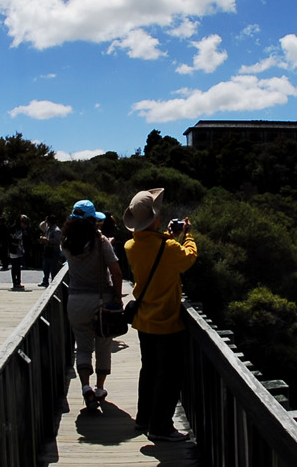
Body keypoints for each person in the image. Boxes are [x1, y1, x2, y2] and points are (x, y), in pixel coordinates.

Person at [123, 189, 196, 443]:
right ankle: (161, 427)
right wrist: (188, 236)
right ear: (154, 219)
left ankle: (143, 419)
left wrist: (167, 235)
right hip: (166, 321)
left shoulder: (131, 245)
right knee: (169, 375)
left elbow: (155, 248)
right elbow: (188, 258)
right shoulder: (168, 247)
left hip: (144, 321)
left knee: (149, 370)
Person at [63, 200, 123, 412]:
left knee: (83, 347)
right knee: (103, 345)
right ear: (91, 220)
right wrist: (118, 296)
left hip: (76, 301)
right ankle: (99, 388)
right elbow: (116, 271)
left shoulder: (66, 242)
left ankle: (85, 386)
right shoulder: (101, 241)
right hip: (100, 301)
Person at [5, 215, 28, 291]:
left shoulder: (22, 229)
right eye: (22, 221)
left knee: (18, 267)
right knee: (14, 266)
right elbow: (9, 239)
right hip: (13, 249)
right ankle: (15, 283)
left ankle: (18, 282)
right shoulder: (13, 228)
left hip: (19, 249)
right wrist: (16, 242)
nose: (24, 223)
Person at [40, 216, 64, 286]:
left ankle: (54, 282)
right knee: (45, 267)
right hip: (47, 251)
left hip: (53, 251)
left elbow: (57, 240)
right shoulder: (49, 229)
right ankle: (45, 281)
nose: (46, 223)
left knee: (53, 268)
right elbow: (42, 226)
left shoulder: (56, 230)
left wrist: (48, 240)